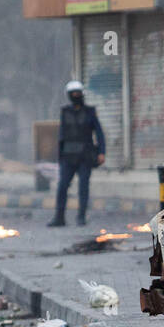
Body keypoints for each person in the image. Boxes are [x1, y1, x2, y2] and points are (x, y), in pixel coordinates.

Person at [49, 80, 105, 227]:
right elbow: (62, 135)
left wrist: (101, 152)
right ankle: (59, 217)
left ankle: (81, 217)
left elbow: (99, 133)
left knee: (83, 188)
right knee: (62, 187)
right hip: (68, 156)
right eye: (73, 93)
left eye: (78, 93)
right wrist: (59, 155)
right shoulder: (65, 112)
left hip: (85, 156)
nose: (76, 96)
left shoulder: (90, 112)